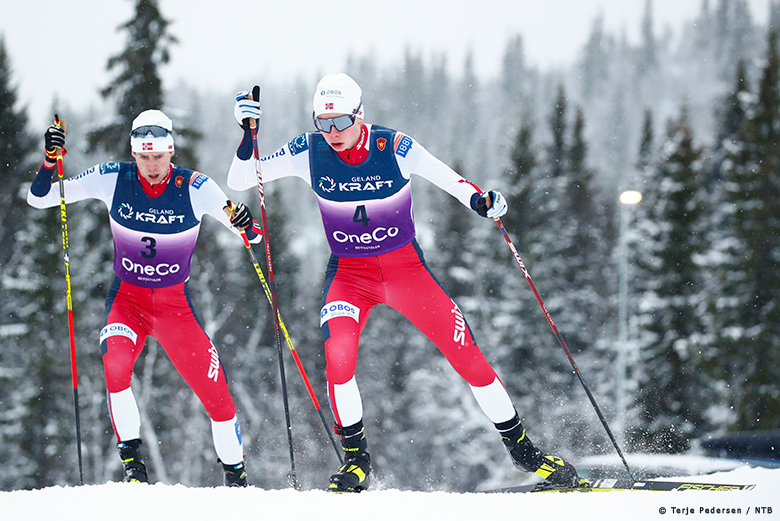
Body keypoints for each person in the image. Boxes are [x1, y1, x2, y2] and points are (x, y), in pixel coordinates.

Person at [228, 73, 583, 492]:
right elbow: (239, 180)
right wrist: (248, 135)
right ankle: (357, 461)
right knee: (337, 357)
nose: (333, 133)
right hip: (349, 276)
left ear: (360, 115)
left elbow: (449, 179)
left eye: (341, 122)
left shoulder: (394, 146)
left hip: (405, 272)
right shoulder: (308, 151)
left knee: (466, 356)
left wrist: (482, 201)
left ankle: (525, 452)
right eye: (323, 123)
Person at [27, 109, 260, 487]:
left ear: (171, 152)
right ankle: (134, 469)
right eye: (143, 157)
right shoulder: (112, 178)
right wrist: (50, 161)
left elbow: (252, 238)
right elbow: (40, 199)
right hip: (128, 302)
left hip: (175, 309)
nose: (152, 165)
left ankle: (236, 480)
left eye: (159, 156)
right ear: (133, 154)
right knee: (115, 365)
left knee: (218, 398)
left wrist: (247, 225)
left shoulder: (197, 187)